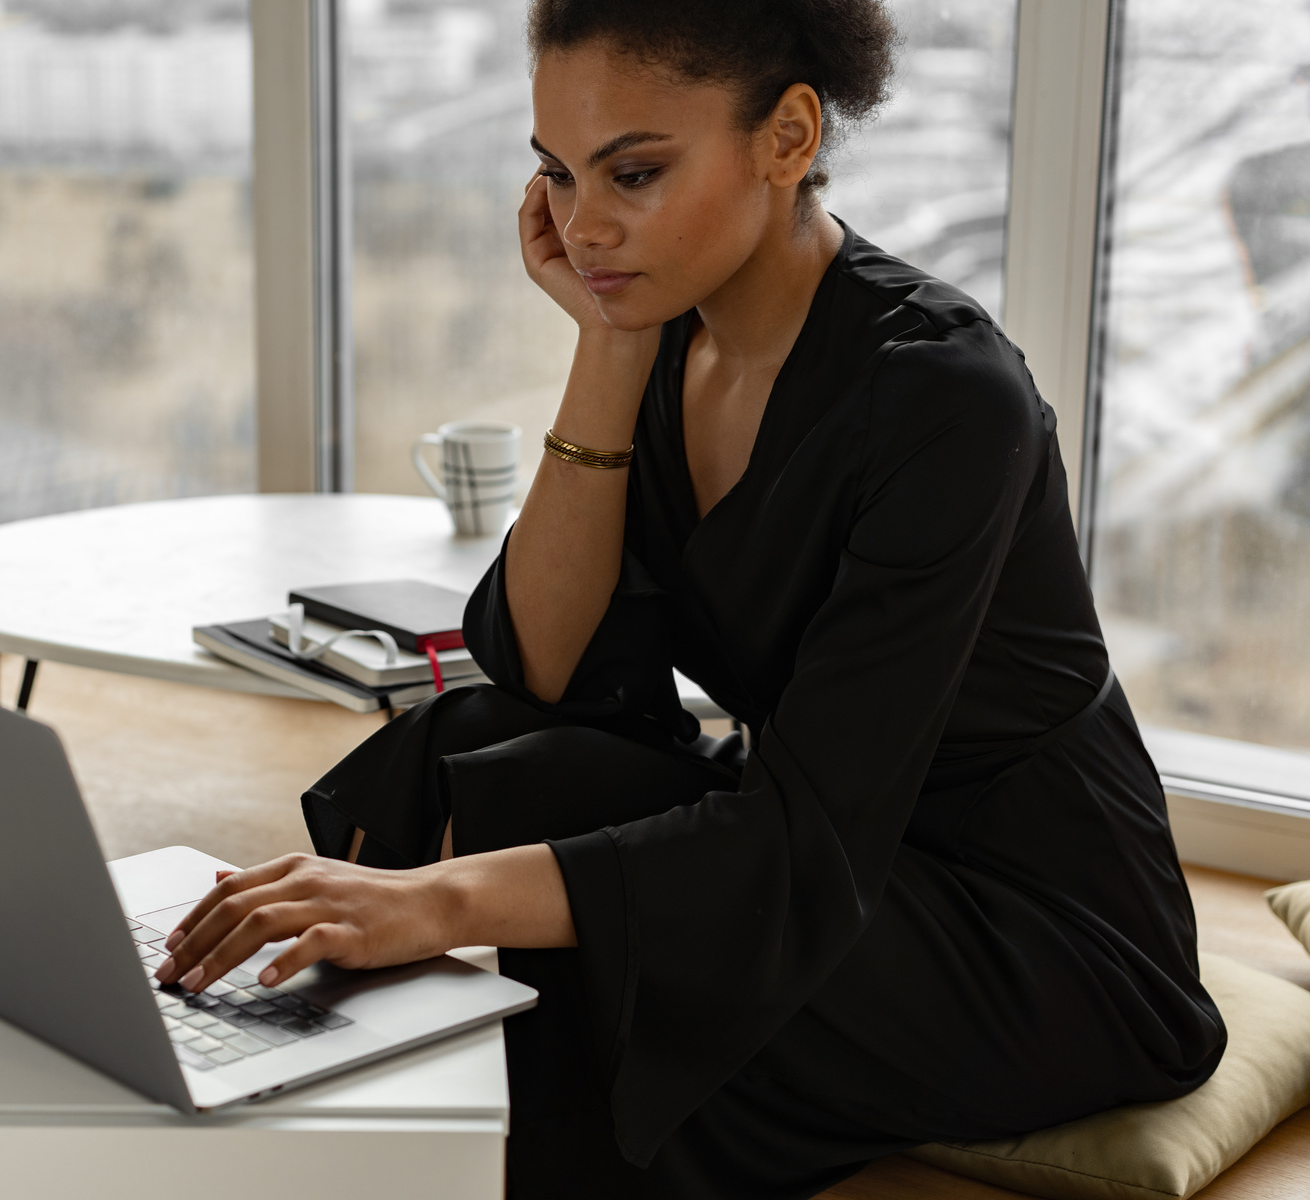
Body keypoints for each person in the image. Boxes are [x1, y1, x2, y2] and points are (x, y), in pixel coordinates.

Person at [154, 1, 1227, 1195]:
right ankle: (322, 1062)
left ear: (788, 137)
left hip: (1025, 933)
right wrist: (609, 345)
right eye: (558, 175)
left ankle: (486, 1138)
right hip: (823, 860)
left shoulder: (947, 399)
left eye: (636, 172)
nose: (584, 223)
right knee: (477, 744)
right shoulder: (668, 330)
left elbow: (799, 835)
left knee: (605, 960)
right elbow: (550, 671)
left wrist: (431, 899)